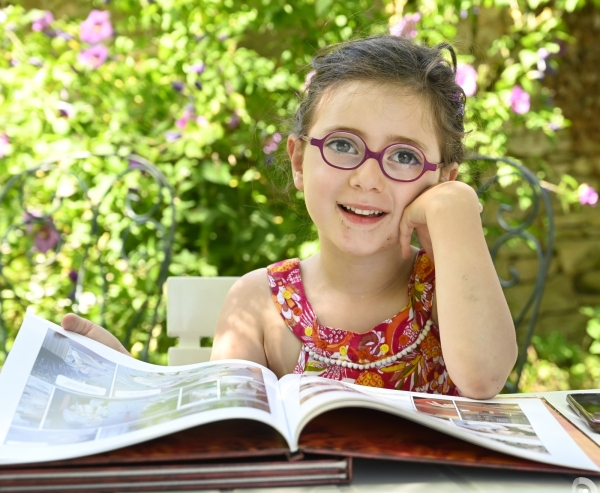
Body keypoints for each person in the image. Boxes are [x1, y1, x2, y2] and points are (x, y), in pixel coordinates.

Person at [62, 35, 517, 400]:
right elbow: (224, 435)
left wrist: (452, 209)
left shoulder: (446, 288)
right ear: (299, 162)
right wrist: (139, 394)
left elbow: (483, 379)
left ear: (442, 178)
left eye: (403, 155)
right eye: (342, 145)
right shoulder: (258, 304)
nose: (367, 177)